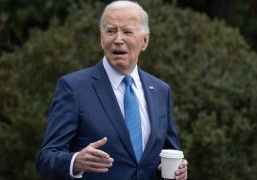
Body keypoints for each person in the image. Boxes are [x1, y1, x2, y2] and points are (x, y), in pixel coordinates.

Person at [36, 0, 188, 179]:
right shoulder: (74, 88)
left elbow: (168, 155)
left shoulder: (161, 91)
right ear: (102, 39)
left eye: (127, 32)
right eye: (110, 31)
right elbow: (46, 159)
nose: (118, 39)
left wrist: (178, 171)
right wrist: (75, 161)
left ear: (145, 41)